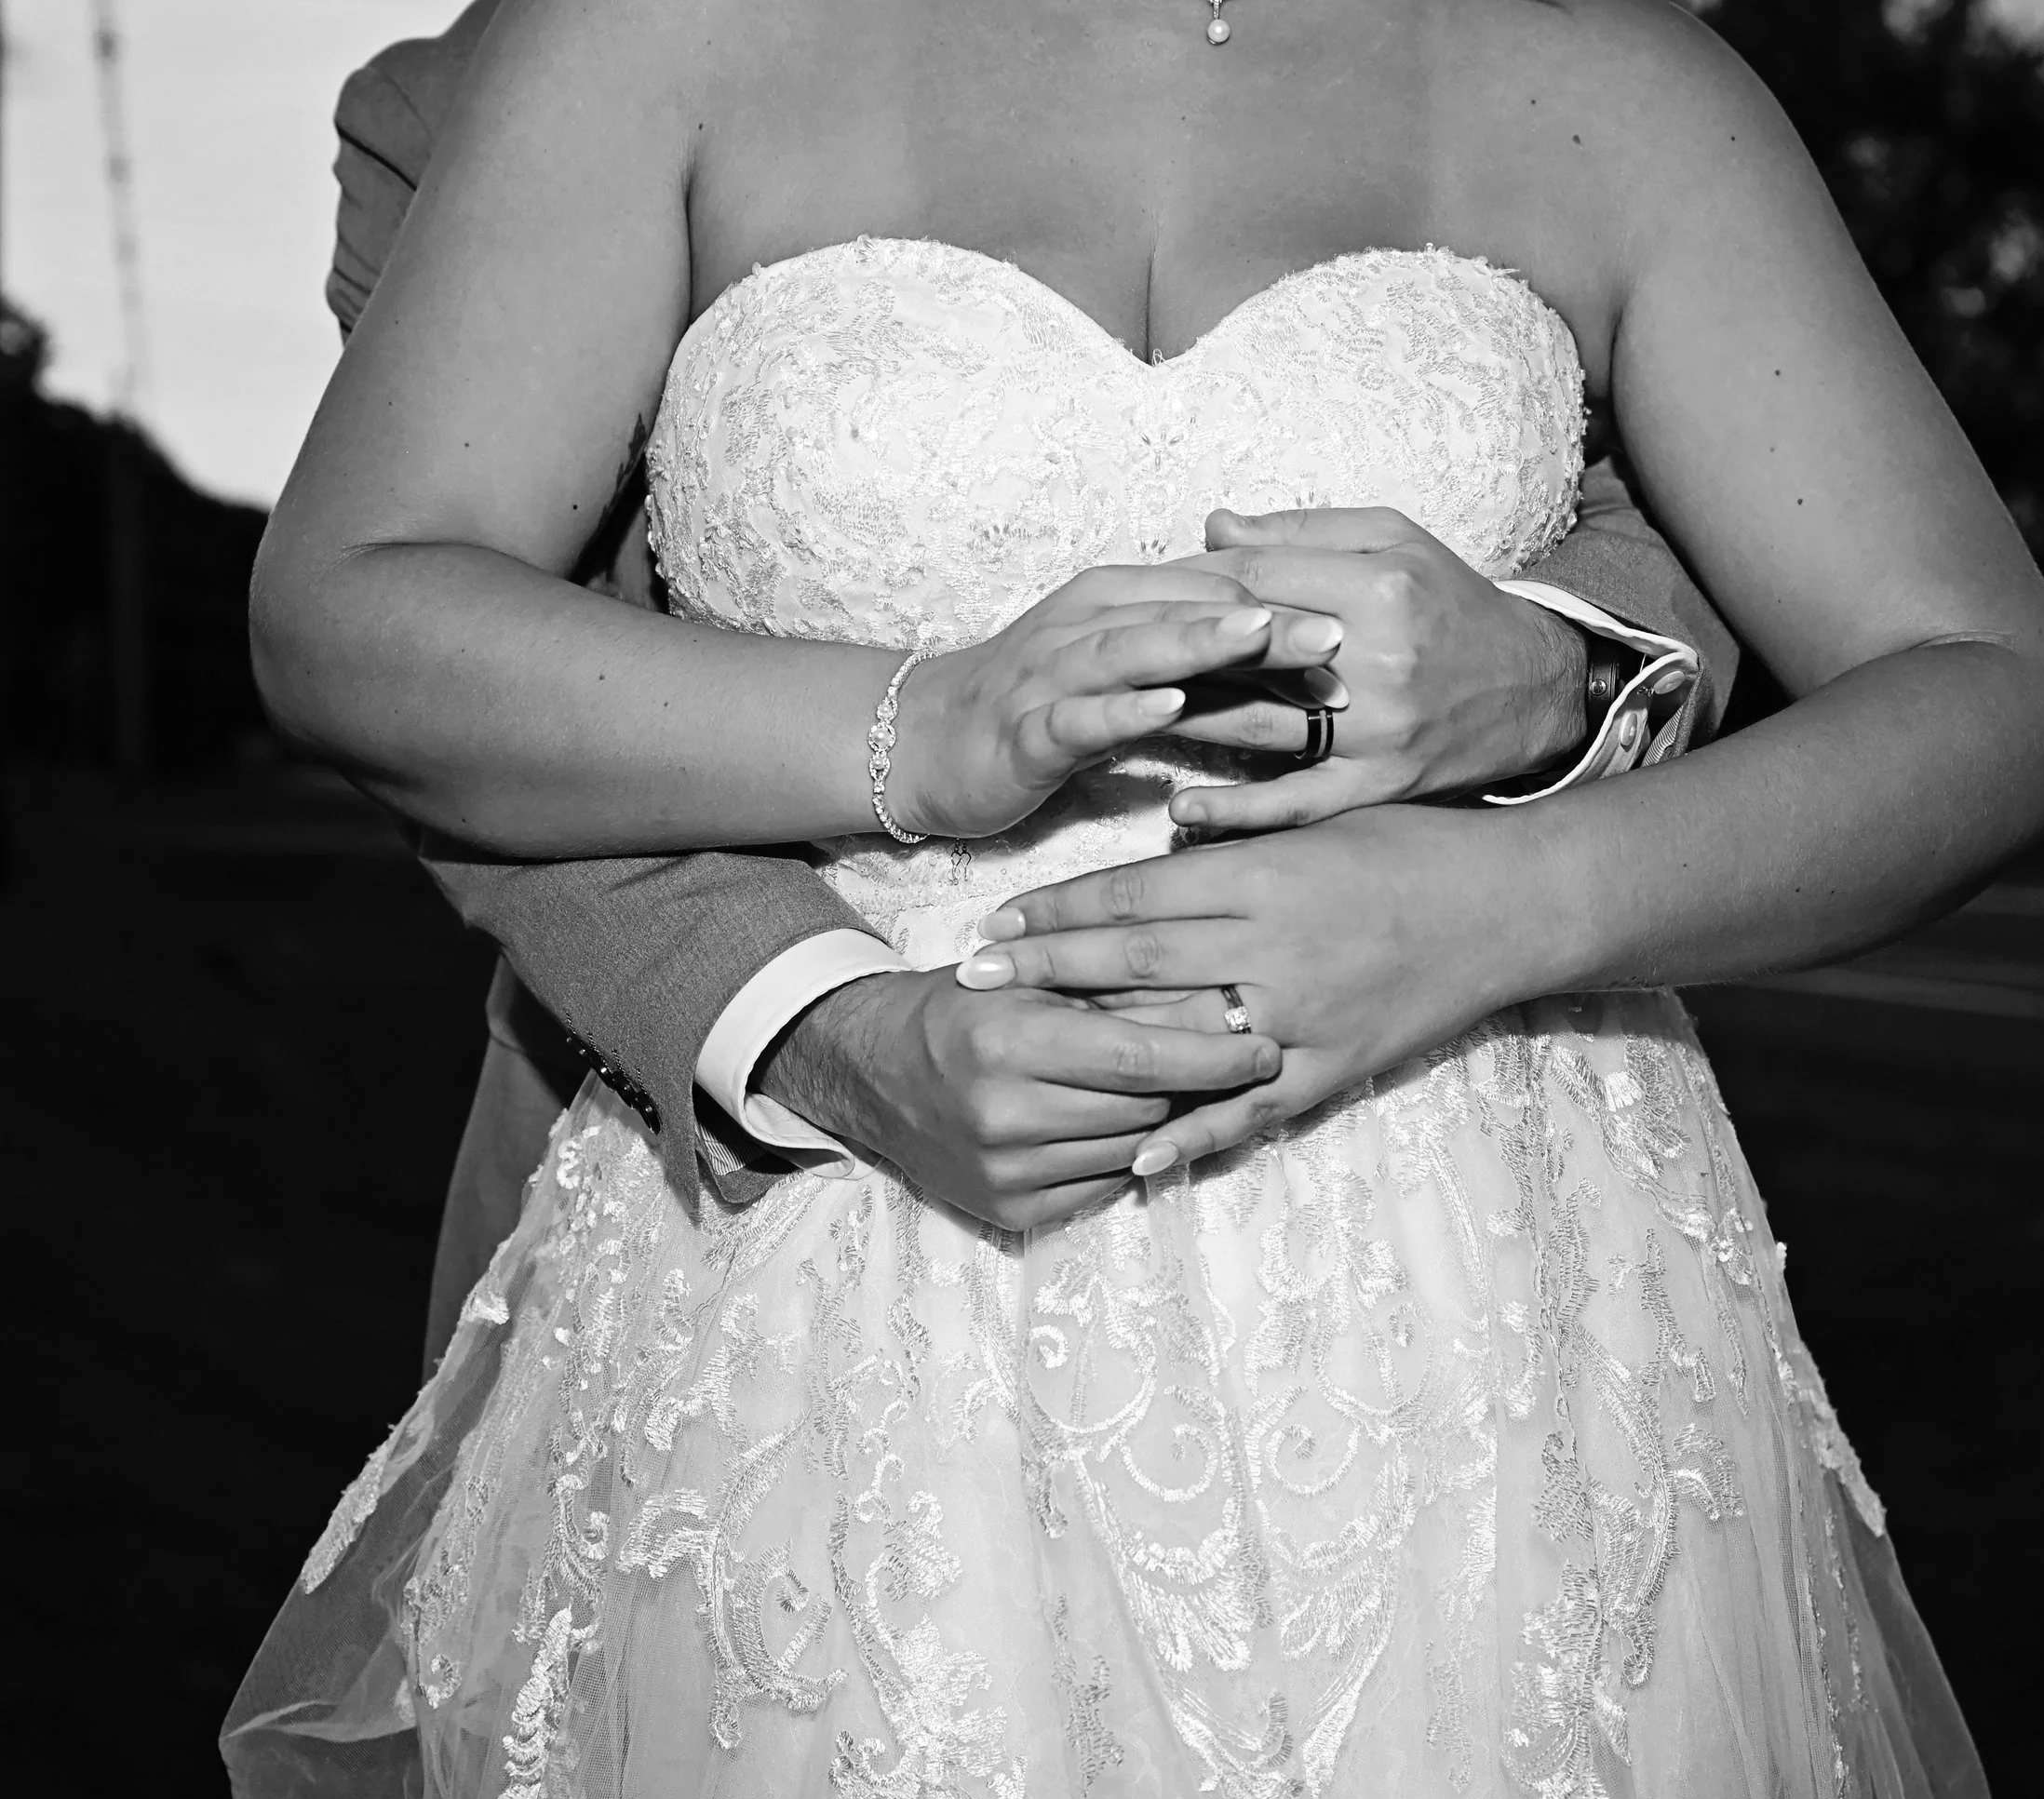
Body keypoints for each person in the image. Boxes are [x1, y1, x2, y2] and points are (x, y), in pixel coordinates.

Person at [225, 0, 2044, 1799]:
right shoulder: (642, 47)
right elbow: (361, 614)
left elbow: (1982, 691)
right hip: (821, 1279)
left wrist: (1500, 897)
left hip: (1481, 1323)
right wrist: (919, 741)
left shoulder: (1615, 84)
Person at [324, 0, 1738, 1374]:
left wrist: (1564, 671)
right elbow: (436, 653)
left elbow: (1671, 522)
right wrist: (826, 1029)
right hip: (767, 1198)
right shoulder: (541, 73)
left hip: (1475, 1222)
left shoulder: (1590, 75)